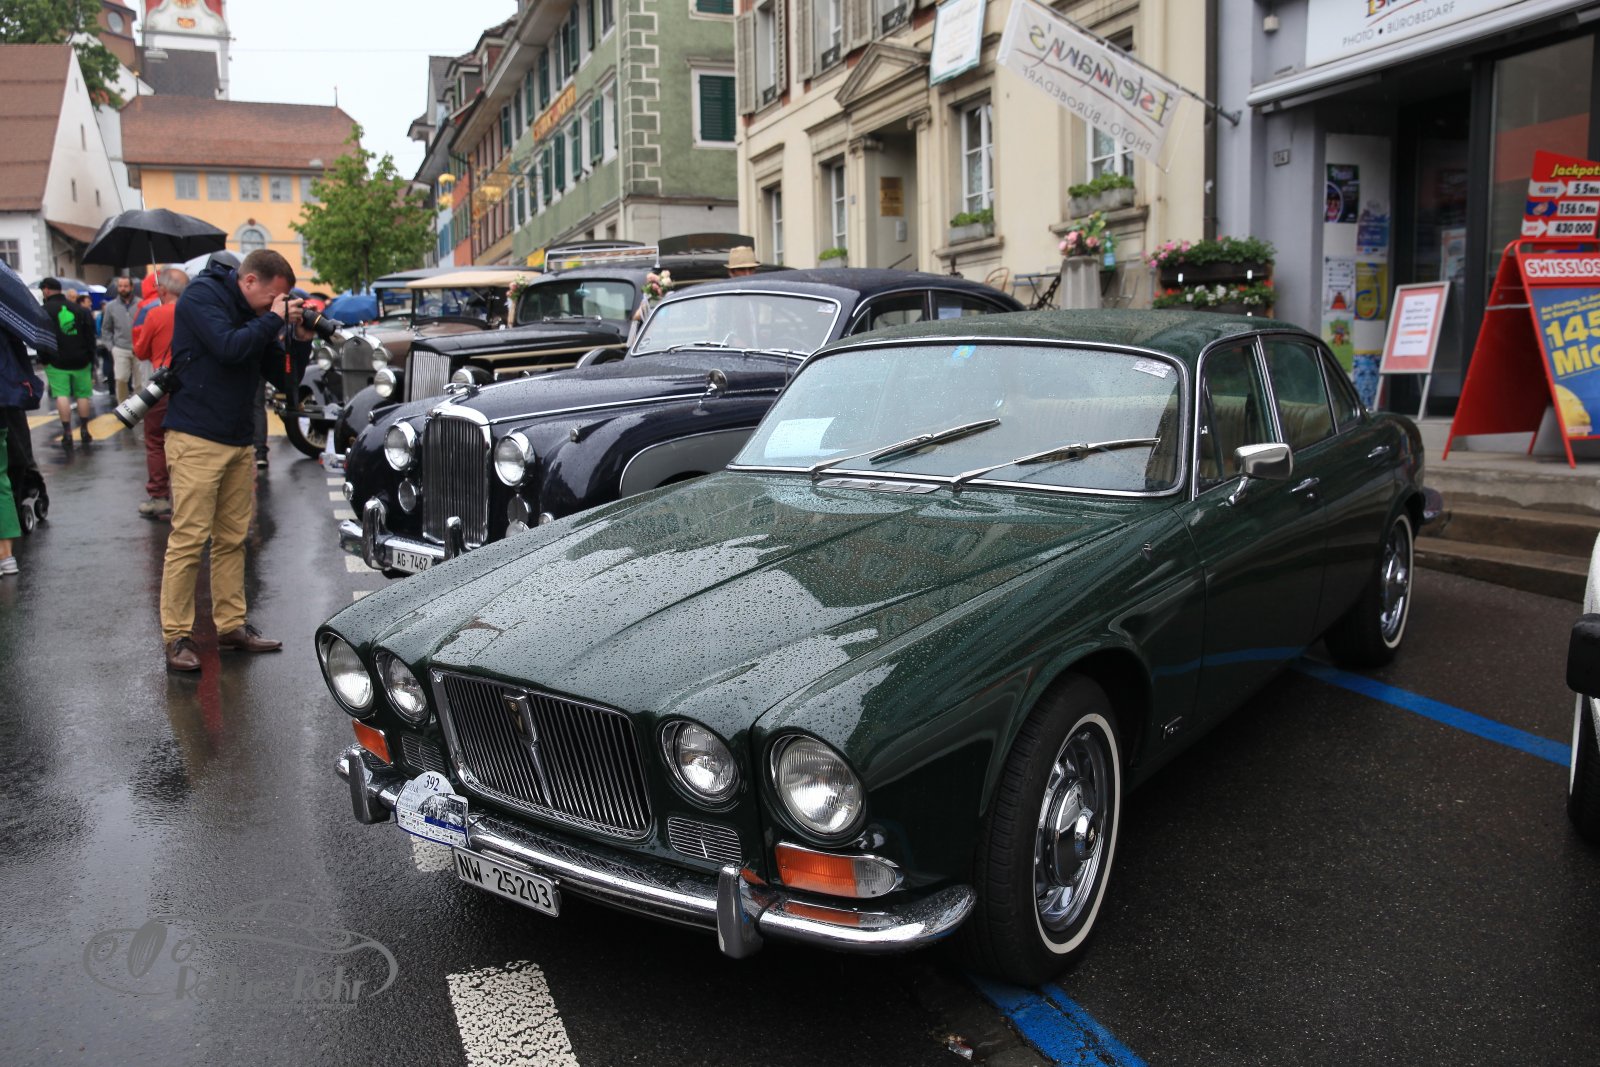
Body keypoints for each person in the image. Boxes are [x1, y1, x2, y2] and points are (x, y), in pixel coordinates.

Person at [159, 250, 311, 672]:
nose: (276, 304)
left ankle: (230, 627)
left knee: (232, 539)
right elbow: (228, 347)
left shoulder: (257, 315)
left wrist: (299, 339)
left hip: (238, 440)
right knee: (189, 540)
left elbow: (285, 377)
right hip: (195, 437)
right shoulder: (201, 296)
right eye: (273, 296)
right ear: (249, 281)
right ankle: (177, 636)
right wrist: (272, 320)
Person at [132, 266, 188, 518]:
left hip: (162, 386)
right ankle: (187, 494)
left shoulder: (155, 314)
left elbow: (141, 351)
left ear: (163, 289)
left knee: (155, 440)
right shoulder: (195, 312)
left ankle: (159, 497)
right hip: (192, 386)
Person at [38, 278, 96, 445]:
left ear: (46, 290)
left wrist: (44, 359)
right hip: (81, 359)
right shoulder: (80, 310)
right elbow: (90, 336)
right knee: (83, 395)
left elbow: (41, 337)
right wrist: (91, 358)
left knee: (62, 395)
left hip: (56, 361)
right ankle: (84, 430)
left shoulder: (44, 311)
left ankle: (68, 432)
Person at [100, 275, 140, 404]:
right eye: (120, 286)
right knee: (121, 378)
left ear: (131, 287)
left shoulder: (140, 304)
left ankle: (140, 407)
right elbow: (106, 328)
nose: (123, 289)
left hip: (139, 348)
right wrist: (111, 347)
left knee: (139, 382)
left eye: (125, 286)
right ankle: (123, 406)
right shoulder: (111, 306)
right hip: (120, 347)